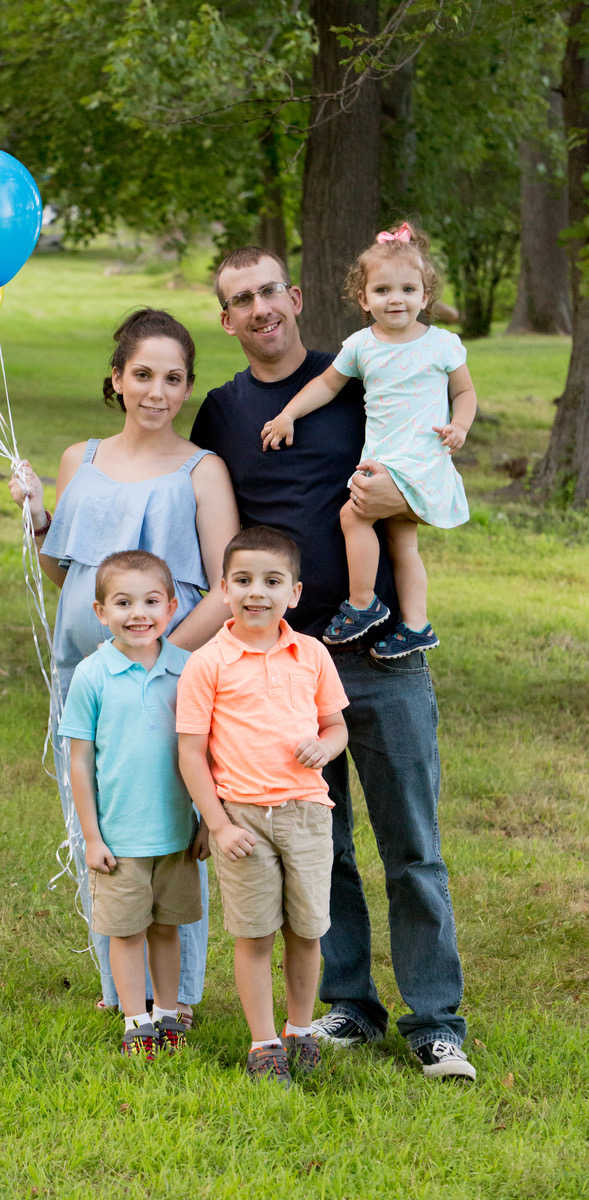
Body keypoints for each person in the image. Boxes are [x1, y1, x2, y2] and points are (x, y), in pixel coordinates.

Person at [189, 245, 476, 1081]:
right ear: (227, 317)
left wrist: (404, 494)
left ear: (296, 295)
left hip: (375, 649)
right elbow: (207, 518)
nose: (258, 309)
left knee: (410, 843)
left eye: (268, 291)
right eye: (239, 300)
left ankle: (434, 1021)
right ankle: (348, 1003)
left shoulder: (361, 371)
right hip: (276, 661)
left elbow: (431, 447)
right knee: (327, 845)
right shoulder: (220, 411)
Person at [9, 308, 239, 1019]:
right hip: (83, 674)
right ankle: (123, 989)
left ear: (186, 387)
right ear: (116, 379)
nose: (157, 391)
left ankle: (176, 996)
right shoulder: (82, 458)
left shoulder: (201, 471)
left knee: (164, 828)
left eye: (173, 378)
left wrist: (158, 659)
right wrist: (39, 514)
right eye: (142, 374)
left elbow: (228, 587)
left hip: (167, 682)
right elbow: (64, 575)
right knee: (96, 824)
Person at [177, 526, 348, 1086]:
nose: (258, 592)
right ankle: (264, 1041)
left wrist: (325, 747)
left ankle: (300, 1029)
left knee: (306, 929)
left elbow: (335, 725)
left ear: (294, 593)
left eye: (272, 581)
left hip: (305, 811)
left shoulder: (312, 654)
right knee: (254, 934)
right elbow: (191, 752)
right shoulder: (208, 662)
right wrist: (218, 824)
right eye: (244, 580)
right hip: (243, 819)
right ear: (224, 589)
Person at [261, 221, 477, 658]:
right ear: (363, 299)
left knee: (353, 516)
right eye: (382, 291)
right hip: (385, 459)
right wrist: (287, 414)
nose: (395, 299)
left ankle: (362, 604)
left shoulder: (441, 345)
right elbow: (325, 385)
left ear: (425, 295)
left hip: (420, 460)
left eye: (407, 289)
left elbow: (465, 392)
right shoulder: (363, 345)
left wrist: (461, 426)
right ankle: (417, 625)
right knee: (402, 542)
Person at [59, 550, 202, 1058]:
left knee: (167, 929)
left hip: (177, 833)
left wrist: (208, 819)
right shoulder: (93, 675)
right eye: (123, 602)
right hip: (119, 838)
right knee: (126, 932)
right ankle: (135, 1020)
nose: (137, 613)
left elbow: (207, 752)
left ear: (172, 606)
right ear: (100, 612)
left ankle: (168, 1014)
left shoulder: (188, 671)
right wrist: (92, 836)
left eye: (150, 601)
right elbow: (79, 761)